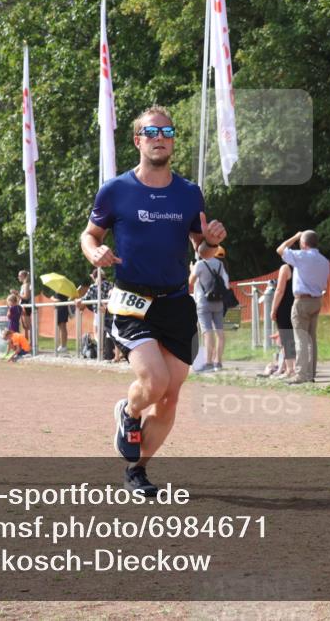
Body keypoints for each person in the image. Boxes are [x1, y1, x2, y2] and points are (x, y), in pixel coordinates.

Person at [80, 104, 226, 496]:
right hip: (131, 299)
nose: (160, 139)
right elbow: (90, 235)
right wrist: (94, 252)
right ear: (137, 141)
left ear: (173, 140)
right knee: (154, 381)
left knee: (170, 396)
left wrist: (212, 241)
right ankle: (128, 412)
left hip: (177, 302)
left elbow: (203, 249)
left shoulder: (189, 192)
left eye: (167, 132)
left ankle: (138, 470)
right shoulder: (116, 190)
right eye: (152, 133)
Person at [276, 230, 330, 384]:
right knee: (312, 339)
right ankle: (310, 373)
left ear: (303, 244)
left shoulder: (301, 255)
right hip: (317, 300)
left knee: (300, 338)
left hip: (302, 301)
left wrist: (294, 236)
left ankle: (300, 374)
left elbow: (280, 250)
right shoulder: (324, 261)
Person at [190, 245, 229, 371]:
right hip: (218, 301)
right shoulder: (219, 264)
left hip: (203, 301)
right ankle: (218, 361)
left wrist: (192, 270)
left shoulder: (200, 264)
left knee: (207, 332)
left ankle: (208, 362)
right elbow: (225, 283)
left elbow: (191, 281)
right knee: (220, 332)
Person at [270, 264, 296, 378]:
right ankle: (287, 367)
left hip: (285, 306)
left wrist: (273, 309)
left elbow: (280, 290)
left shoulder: (285, 268)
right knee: (296, 338)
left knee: (286, 339)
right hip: (297, 305)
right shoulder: (302, 266)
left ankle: (289, 369)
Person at [18, 270, 32, 338]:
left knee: (28, 325)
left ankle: (32, 343)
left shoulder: (27, 285)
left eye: (20, 276)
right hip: (22, 305)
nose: (18, 277)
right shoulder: (23, 285)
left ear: (24, 276)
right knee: (24, 326)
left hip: (26, 305)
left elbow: (26, 297)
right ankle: (26, 342)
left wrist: (16, 293)